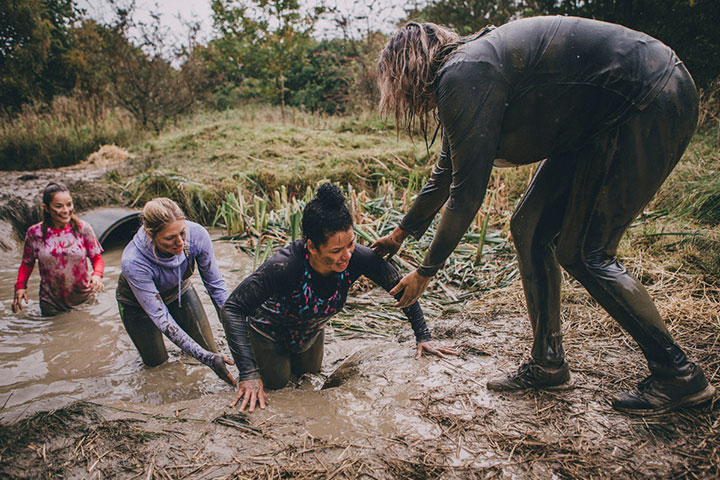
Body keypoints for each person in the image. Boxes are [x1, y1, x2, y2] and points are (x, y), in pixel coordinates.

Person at [373, 17, 715, 415]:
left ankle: (679, 375)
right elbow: (447, 172)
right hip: (594, 122)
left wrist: (426, 271)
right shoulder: (466, 74)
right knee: (530, 226)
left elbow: (465, 195)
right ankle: (548, 362)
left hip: (648, 96)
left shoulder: (464, 72)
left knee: (586, 251)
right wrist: (400, 233)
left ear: (407, 71)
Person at [221, 183, 457, 412]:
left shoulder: (358, 258)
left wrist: (423, 336)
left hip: (310, 332)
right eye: (335, 251)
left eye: (351, 244)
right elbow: (232, 308)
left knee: (311, 378)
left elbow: (401, 288)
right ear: (312, 246)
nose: (346, 256)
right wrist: (248, 373)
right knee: (280, 386)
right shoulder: (284, 266)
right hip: (268, 334)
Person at [116, 197, 235, 386]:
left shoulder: (197, 235)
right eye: (170, 238)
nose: (180, 242)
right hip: (137, 306)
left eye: (182, 233)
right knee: (157, 366)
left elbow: (216, 287)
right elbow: (162, 319)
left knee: (211, 349)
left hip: (180, 291)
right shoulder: (133, 262)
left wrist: (237, 330)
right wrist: (206, 358)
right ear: (151, 235)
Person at [13, 182, 104, 316]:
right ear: (47, 208)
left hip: (84, 299)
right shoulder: (35, 233)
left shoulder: (82, 229)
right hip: (51, 303)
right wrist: (20, 287)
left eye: (69, 204)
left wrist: (97, 275)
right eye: (58, 206)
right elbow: (27, 263)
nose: (66, 210)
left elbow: (96, 258)